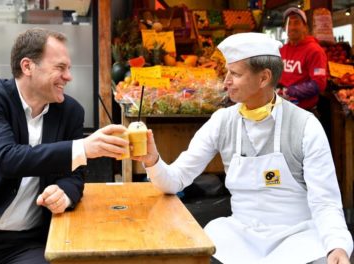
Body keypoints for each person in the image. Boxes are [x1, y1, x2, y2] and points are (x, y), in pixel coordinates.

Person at [133, 32, 353, 264]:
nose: (225, 80)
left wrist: (337, 246)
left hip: (297, 237)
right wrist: (152, 160)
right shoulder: (222, 121)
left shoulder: (305, 126)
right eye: (227, 72)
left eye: (235, 74)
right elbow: (176, 180)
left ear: (264, 78)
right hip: (240, 238)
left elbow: (325, 201)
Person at [0, 28, 129, 263]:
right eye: (60, 67)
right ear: (27, 66)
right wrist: (83, 148)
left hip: (24, 244)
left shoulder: (71, 112)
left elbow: (75, 175)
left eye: (68, 68)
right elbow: (7, 159)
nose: (69, 76)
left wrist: (64, 194)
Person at [278, 7, 328, 113]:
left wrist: (290, 91)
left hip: (304, 112)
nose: (291, 27)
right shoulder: (282, 50)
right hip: (282, 109)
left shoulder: (315, 51)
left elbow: (319, 83)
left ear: (305, 27)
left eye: (296, 23)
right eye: (288, 24)